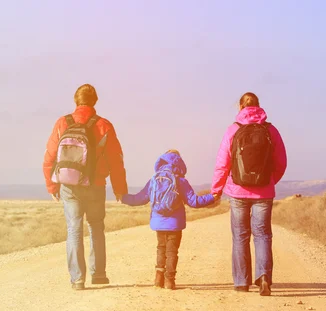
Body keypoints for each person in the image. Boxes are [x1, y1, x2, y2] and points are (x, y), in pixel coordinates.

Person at [43, 84, 128, 290]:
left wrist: (51, 185)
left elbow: (49, 156)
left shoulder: (62, 123)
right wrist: (119, 188)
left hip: (69, 185)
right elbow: (116, 159)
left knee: (74, 229)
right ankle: (98, 275)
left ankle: (77, 279)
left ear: (75, 100)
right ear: (95, 101)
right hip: (96, 185)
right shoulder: (104, 125)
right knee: (96, 228)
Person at [211, 92, 287, 296]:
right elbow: (281, 162)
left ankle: (241, 282)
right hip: (264, 192)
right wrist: (269, 181)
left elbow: (222, 164)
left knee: (240, 236)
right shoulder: (271, 130)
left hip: (237, 192)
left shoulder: (232, 130)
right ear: (259, 107)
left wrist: (216, 190)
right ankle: (264, 278)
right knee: (262, 235)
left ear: (240, 107)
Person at [122, 150, 217, 290]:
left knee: (161, 249)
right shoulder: (181, 181)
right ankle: (169, 281)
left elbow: (139, 198)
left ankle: (158, 279)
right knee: (172, 252)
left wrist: (123, 197)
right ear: (179, 162)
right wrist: (212, 197)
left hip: (158, 223)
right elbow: (194, 202)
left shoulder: (154, 180)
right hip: (175, 224)